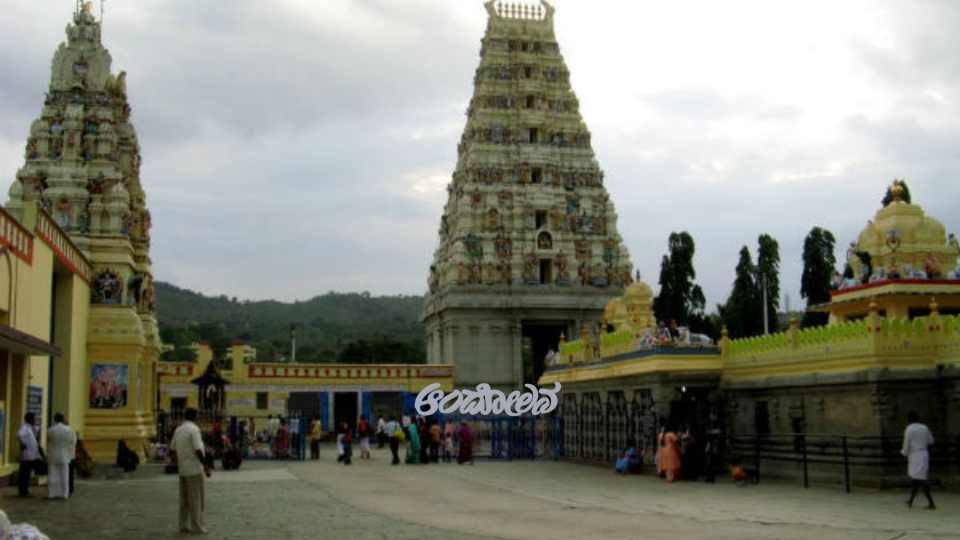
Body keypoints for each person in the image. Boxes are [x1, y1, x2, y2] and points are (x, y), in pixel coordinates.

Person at [170, 408, 212, 535]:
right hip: (194, 468)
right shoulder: (194, 429)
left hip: (182, 469)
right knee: (196, 498)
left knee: (184, 499)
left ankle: (183, 525)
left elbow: (172, 449)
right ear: (195, 417)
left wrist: (179, 461)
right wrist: (205, 466)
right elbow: (198, 449)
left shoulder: (178, 429)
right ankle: (197, 526)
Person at [901, 411, 936, 509]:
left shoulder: (909, 429)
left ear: (909, 420)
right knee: (916, 479)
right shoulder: (924, 427)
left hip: (915, 455)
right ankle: (911, 500)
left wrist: (904, 452)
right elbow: (931, 441)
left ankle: (931, 503)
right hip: (924, 454)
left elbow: (906, 443)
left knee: (921, 479)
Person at [47, 413, 77, 499]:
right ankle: (64, 494)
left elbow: (49, 441)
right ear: (63, 419)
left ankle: (52, 493)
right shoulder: (69, 430)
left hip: (53, 454)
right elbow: (73, 442)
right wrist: (71, 453)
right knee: (64, 475)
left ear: (54, 419)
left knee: (52, 475)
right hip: (65, 455)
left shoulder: (51, 430)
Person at [17, 412, 41, 497]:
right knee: (24, 474)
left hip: (31, 455)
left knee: (27, 474)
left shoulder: (31, 427)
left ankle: (25, 490)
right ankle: (22, 491)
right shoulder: (24, 427)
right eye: (34, 418)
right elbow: (19, 434)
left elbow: (36, 434)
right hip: (26, 455)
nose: (35, 420)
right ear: (30, 419)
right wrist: (22, 443)